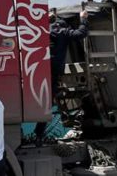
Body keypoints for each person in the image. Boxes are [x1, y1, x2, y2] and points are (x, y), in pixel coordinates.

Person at [34, 9, 89, 144]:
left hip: (38, 71)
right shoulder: (61, 31)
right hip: (53, 72)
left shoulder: (43, 30)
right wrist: (83, 19)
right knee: (48, 103)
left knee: (47, 101)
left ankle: (39, 132)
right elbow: (81, 33)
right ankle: (38, 135)